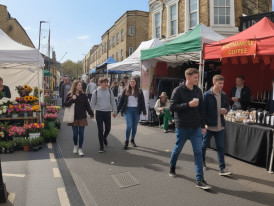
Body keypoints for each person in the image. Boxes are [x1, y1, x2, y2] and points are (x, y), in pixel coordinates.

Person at [169, 68, 212, 190]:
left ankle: (199, 179)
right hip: (182, 126)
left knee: (198, 152)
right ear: (188, 77)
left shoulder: (198, 91)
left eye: (198, 77)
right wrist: (188, 104)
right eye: (195, 77)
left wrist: (203, 126)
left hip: (196, 127)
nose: (197, 79)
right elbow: (172, 107)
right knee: (178, 149)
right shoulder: (178, 90)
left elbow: (202, 110)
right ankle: (172, 167)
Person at [202, 75, 232, 176]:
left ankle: (222, 168)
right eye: (220, 83)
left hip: (220, 126)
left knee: (221, 147)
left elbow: (227, 106)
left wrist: (226, 111)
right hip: (209, 126)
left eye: (223, 83)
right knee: (203, 146)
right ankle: (202, 162)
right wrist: (204, 124)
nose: (222, 85)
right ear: (214, 83)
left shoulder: (223, 95)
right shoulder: (206, 95)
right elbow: (202, 111)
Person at [64, 80, 94, 156]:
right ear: (75, 86)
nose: (80, 86)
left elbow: (87, 106)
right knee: (75, 134)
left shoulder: (84, 95)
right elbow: (66, 105)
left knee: (81, 134)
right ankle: (75, 146)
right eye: (79, 85)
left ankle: (80, 148)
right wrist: (72, 99)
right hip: (73, 117)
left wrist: (91, 114)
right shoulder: (70, 94)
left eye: (81, 85)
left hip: (82, 117)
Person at [117, 76, 147, 150]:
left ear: (136, 83)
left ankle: (132, 140)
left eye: (133, 82)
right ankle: (126, 141)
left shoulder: (139, 91)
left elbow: (142, 102)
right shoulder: (126, 90)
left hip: (136, 110)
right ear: (129, 83)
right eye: (131, 82)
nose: (132, 83)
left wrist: (144, 111)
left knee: (134, 127)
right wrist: (116, 111)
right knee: (129, 126)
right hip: (128, 110)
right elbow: (121, 102)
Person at [91, 77, 117, 153]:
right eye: (104, 82)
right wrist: (91, 113)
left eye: (107, 82)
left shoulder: (109, 91)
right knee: (100, 130)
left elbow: (113, 101)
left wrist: (115, 111)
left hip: (107, 112)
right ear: (100, 83)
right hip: (99, 112)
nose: (106, 84)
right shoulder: (95, 92)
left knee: (108, 128)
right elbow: (92, 103)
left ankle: (104, 137)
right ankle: (101, 146)